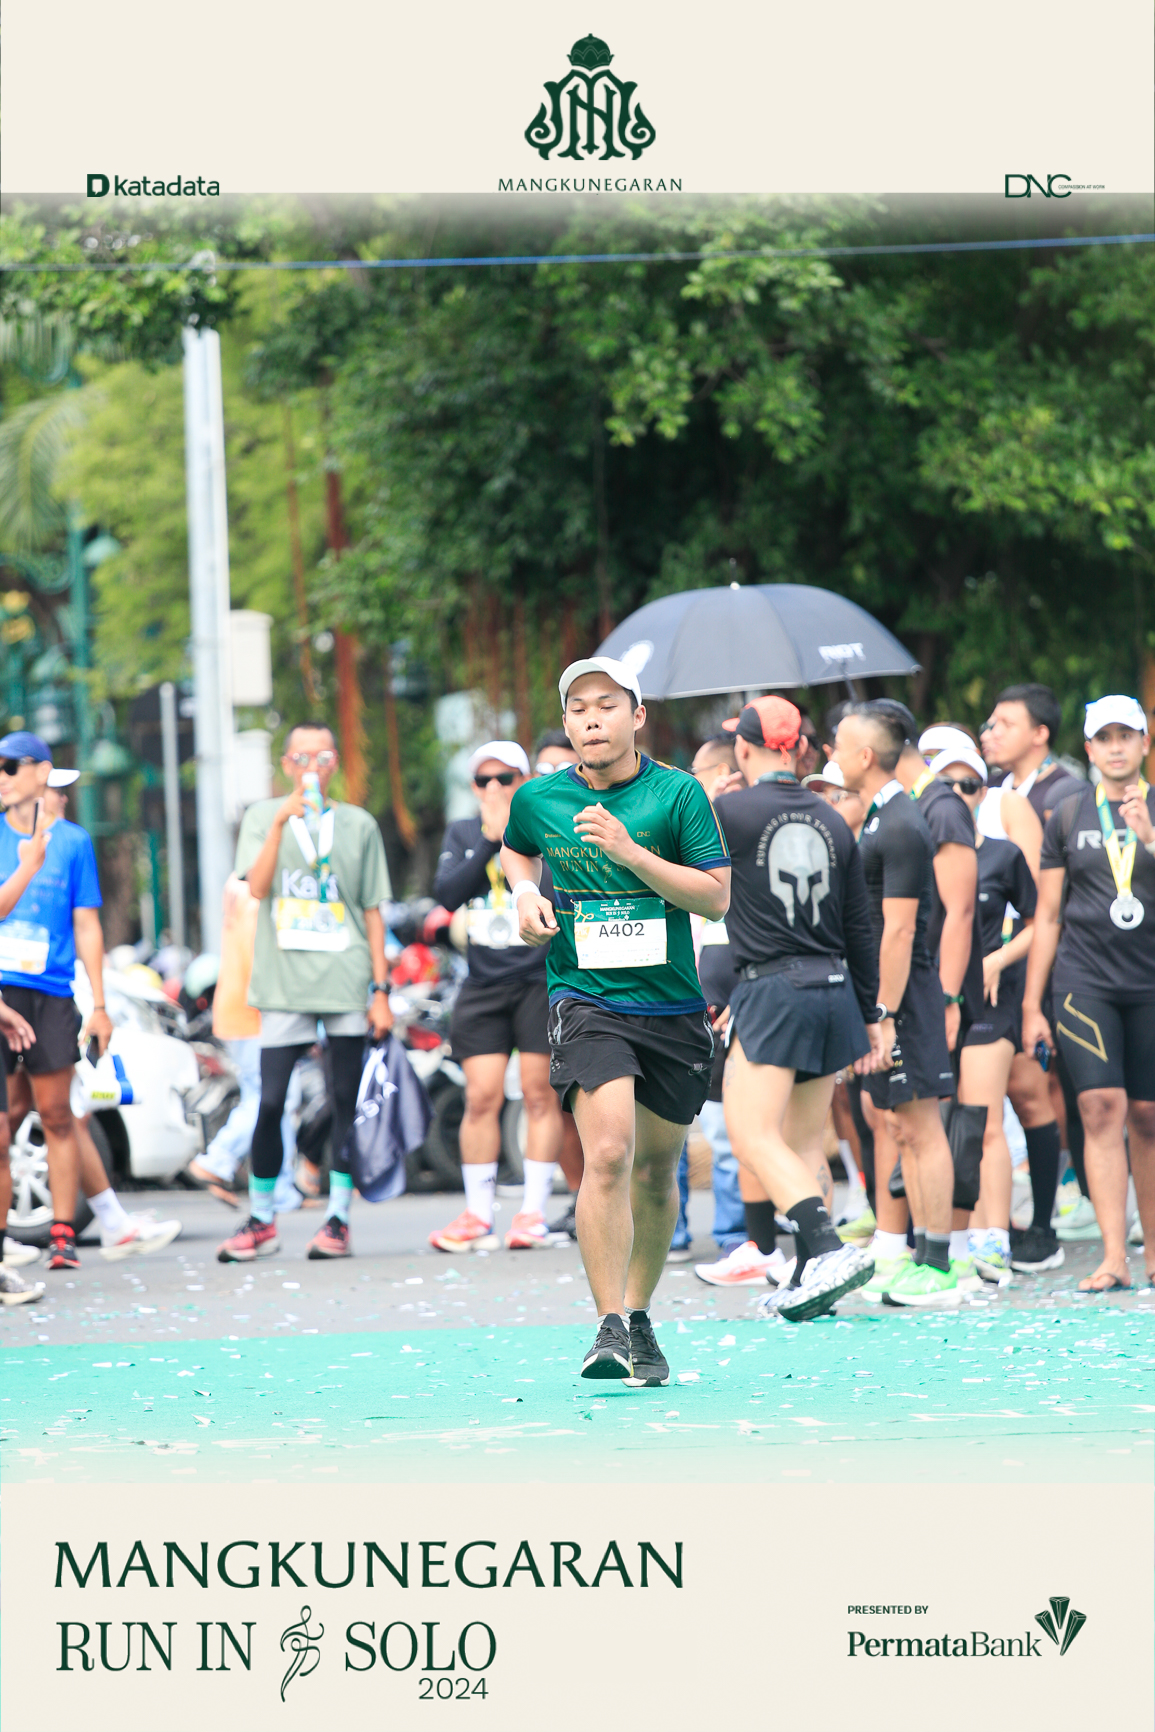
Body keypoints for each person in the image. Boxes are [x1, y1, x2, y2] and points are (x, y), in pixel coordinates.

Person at [502, 656, 730, 1383]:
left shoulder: (678, 793)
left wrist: (630, 853)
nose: (591, 720)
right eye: (578, 709)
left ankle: (637, 1316)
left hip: (671, 1005)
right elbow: (515, 850)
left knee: (657, 1172)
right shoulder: (538, 798)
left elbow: (715, 898)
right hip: (585, 998)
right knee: (606, 1154)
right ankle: (606, 1327)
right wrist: (524, 895)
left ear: (637, 716)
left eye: (606, 705)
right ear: (567, 723)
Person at [711, 697, 882, 1319]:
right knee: (806, 1144)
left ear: (744, 747)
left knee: (751, 1135)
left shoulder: (729, 811)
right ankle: (812, 1278)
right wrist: (871, 1012)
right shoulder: (833, 818)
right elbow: (859, 926)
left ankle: (828, 1249)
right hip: (833, 987)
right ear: (801, 749)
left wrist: (707, 804)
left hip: (772, 989)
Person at [217, 721, 393, 1263]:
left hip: (345, 978)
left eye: (321, 758)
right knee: (270, 1100)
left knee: (343, 1099)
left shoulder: (359, 824)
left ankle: (338, 1217)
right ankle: (262, 1219)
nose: (311, 768)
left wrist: (381, 990)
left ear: (334, 762)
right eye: (301, 758)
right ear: (286, 764)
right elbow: (257, 887)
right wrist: (280, 824)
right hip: (283, 981)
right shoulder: (261, 816)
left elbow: (372, 911)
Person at [1023, 694, 1155, 1291]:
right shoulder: (1068, 813)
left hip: (1149, 982)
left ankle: (1152, 1253)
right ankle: (1113, 1258)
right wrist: (1032, 1005)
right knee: (1100, 1107)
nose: (1116, 747)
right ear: (1089, 748)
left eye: (1126, 735)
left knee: (1148, 1116)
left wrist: (1148, 839)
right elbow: (1048, 915)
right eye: (1105, 738)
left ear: (1145, 743)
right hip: (1085, 981)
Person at [833, 704, 961, 1306]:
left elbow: (901, 931)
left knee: (920, 1125)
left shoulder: (903, 823)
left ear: (866, 756)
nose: (831, 753)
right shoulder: (880, 816)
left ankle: (939, 1264)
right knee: (898, 1125)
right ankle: (917, 1255)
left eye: (839, 744)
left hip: (906, 999)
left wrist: (882, 1013)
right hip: (886, 996)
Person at [429, 741, 565, 1252]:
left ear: (523, 782)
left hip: (537, 978)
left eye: (504, 779)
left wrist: (514, 833)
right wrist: (490, 840)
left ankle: (532, 1212)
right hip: (483, 983)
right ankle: (478, 1212)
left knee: (538, 1094)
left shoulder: (544, 827)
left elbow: (559, 889)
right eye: (483, 780)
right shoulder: (464, 833)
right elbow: (447, 894)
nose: (493, 788)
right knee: (481, 1096)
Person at [0, 732, 113, 1271]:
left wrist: (100, 1004)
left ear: (42, 772)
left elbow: (87, 924)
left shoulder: (73, 842)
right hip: (2, 991)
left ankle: (62, 1234)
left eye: (10, 766)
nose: (1, 776)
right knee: (8, 1118)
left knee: (56, 1114)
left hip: (51, 991)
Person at [932, 747, 1039, 1283]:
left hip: (991, 1004)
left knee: (983, 1118)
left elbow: (1042, 922)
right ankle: (953, 1237)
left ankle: (994, 1236)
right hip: (935, 1004)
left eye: (969, 785)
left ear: (983, 794)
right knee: (942, 1122)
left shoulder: (1003, 854)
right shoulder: (919, 853)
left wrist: (996, 959)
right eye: (946, 785)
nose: (958, 795)